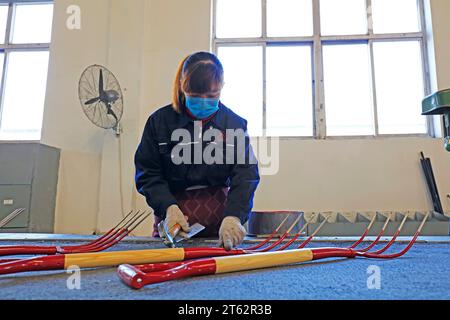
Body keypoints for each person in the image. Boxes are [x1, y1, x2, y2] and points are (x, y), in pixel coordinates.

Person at [134, 52, 260, 250]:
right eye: (195, 96)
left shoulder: (234, 124)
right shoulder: (159, 123)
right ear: (182, 87)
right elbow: (148, 173)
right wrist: (168, 208)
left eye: (212, 96)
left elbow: (246, 175)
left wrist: (235, 217)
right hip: (173, 221)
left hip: (221, 226)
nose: (203, 101)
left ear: (221, 88)